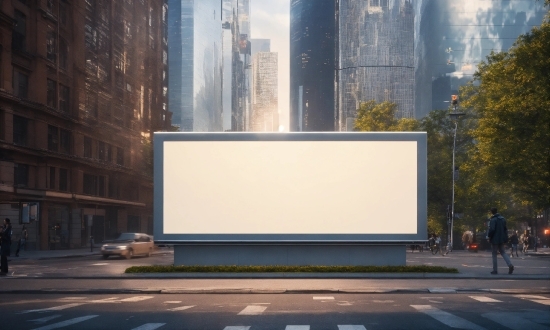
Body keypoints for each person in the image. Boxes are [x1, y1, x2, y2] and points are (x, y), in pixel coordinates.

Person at [487, 208, 514, 274]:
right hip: (501, 238)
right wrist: (505, 238)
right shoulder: (503, 219)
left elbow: (492, 229)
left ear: (492, 212)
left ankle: (495, 270)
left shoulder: (493, 220)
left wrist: (489, 236)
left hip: (494, 239)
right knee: (503, 252)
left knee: (494, 254)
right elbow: (505, 229)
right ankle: (510, 264)